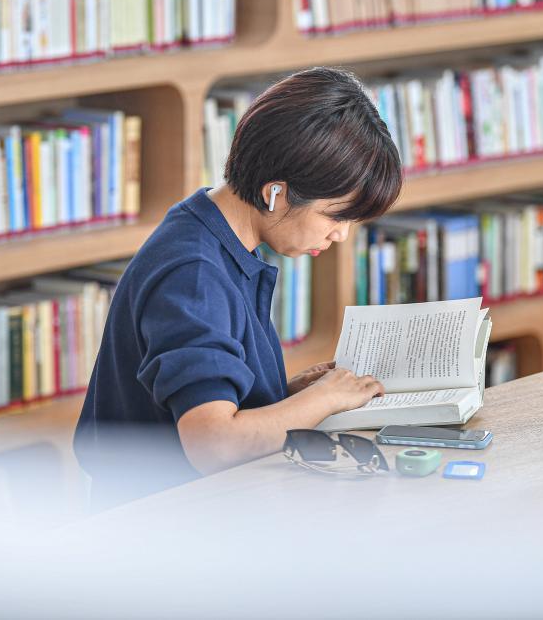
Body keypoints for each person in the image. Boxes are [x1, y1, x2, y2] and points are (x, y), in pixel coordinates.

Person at [74, 67, 403, 506]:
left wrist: (291, 394)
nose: (341, 235)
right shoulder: (193, 275)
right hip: (160, 532)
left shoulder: (208, 230)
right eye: (334, 216)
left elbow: (198, 403)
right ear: (275, 193)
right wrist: (325, 400)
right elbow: (213, 444)